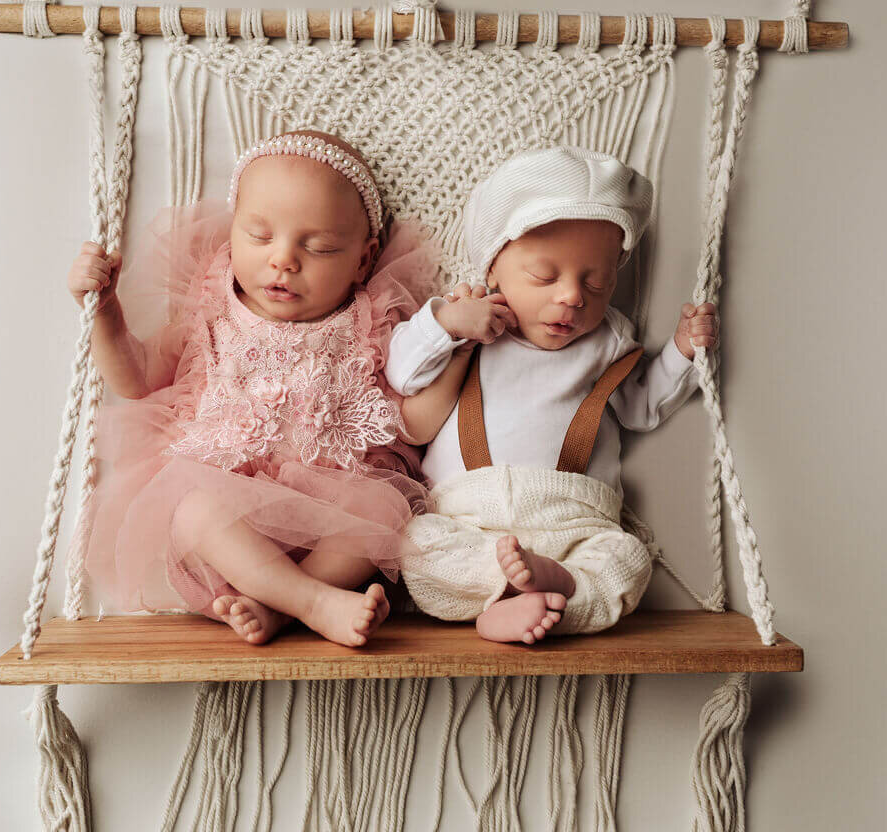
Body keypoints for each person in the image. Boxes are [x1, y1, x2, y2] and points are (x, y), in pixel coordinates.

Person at [68, 130, 434, 647]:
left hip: (327, 521)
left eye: (321, 246)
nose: (283, 259)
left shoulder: (370, 324)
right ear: (232, 232)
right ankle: (309, 602)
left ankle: (283, 606)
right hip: (229, 529)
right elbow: (136, 377)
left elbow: (407, 419)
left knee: (384, 511)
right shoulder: (210, 313)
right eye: (260, 236)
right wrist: (106, 312)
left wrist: (456, 346)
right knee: (191, 507)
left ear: (363, 258)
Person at [386, 145, 719, 644]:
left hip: (575, 514)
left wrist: (681, 352)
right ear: (493, 266)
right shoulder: (467, 319)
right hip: (469, 515)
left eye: (598, 283)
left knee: (626, 558)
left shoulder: (608, 341)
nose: (572, 297)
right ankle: (509, 597)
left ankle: (563, 588)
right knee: (418, 544)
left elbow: (640, 407)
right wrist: (447, 325)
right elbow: (402, 375)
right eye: (544, 277)